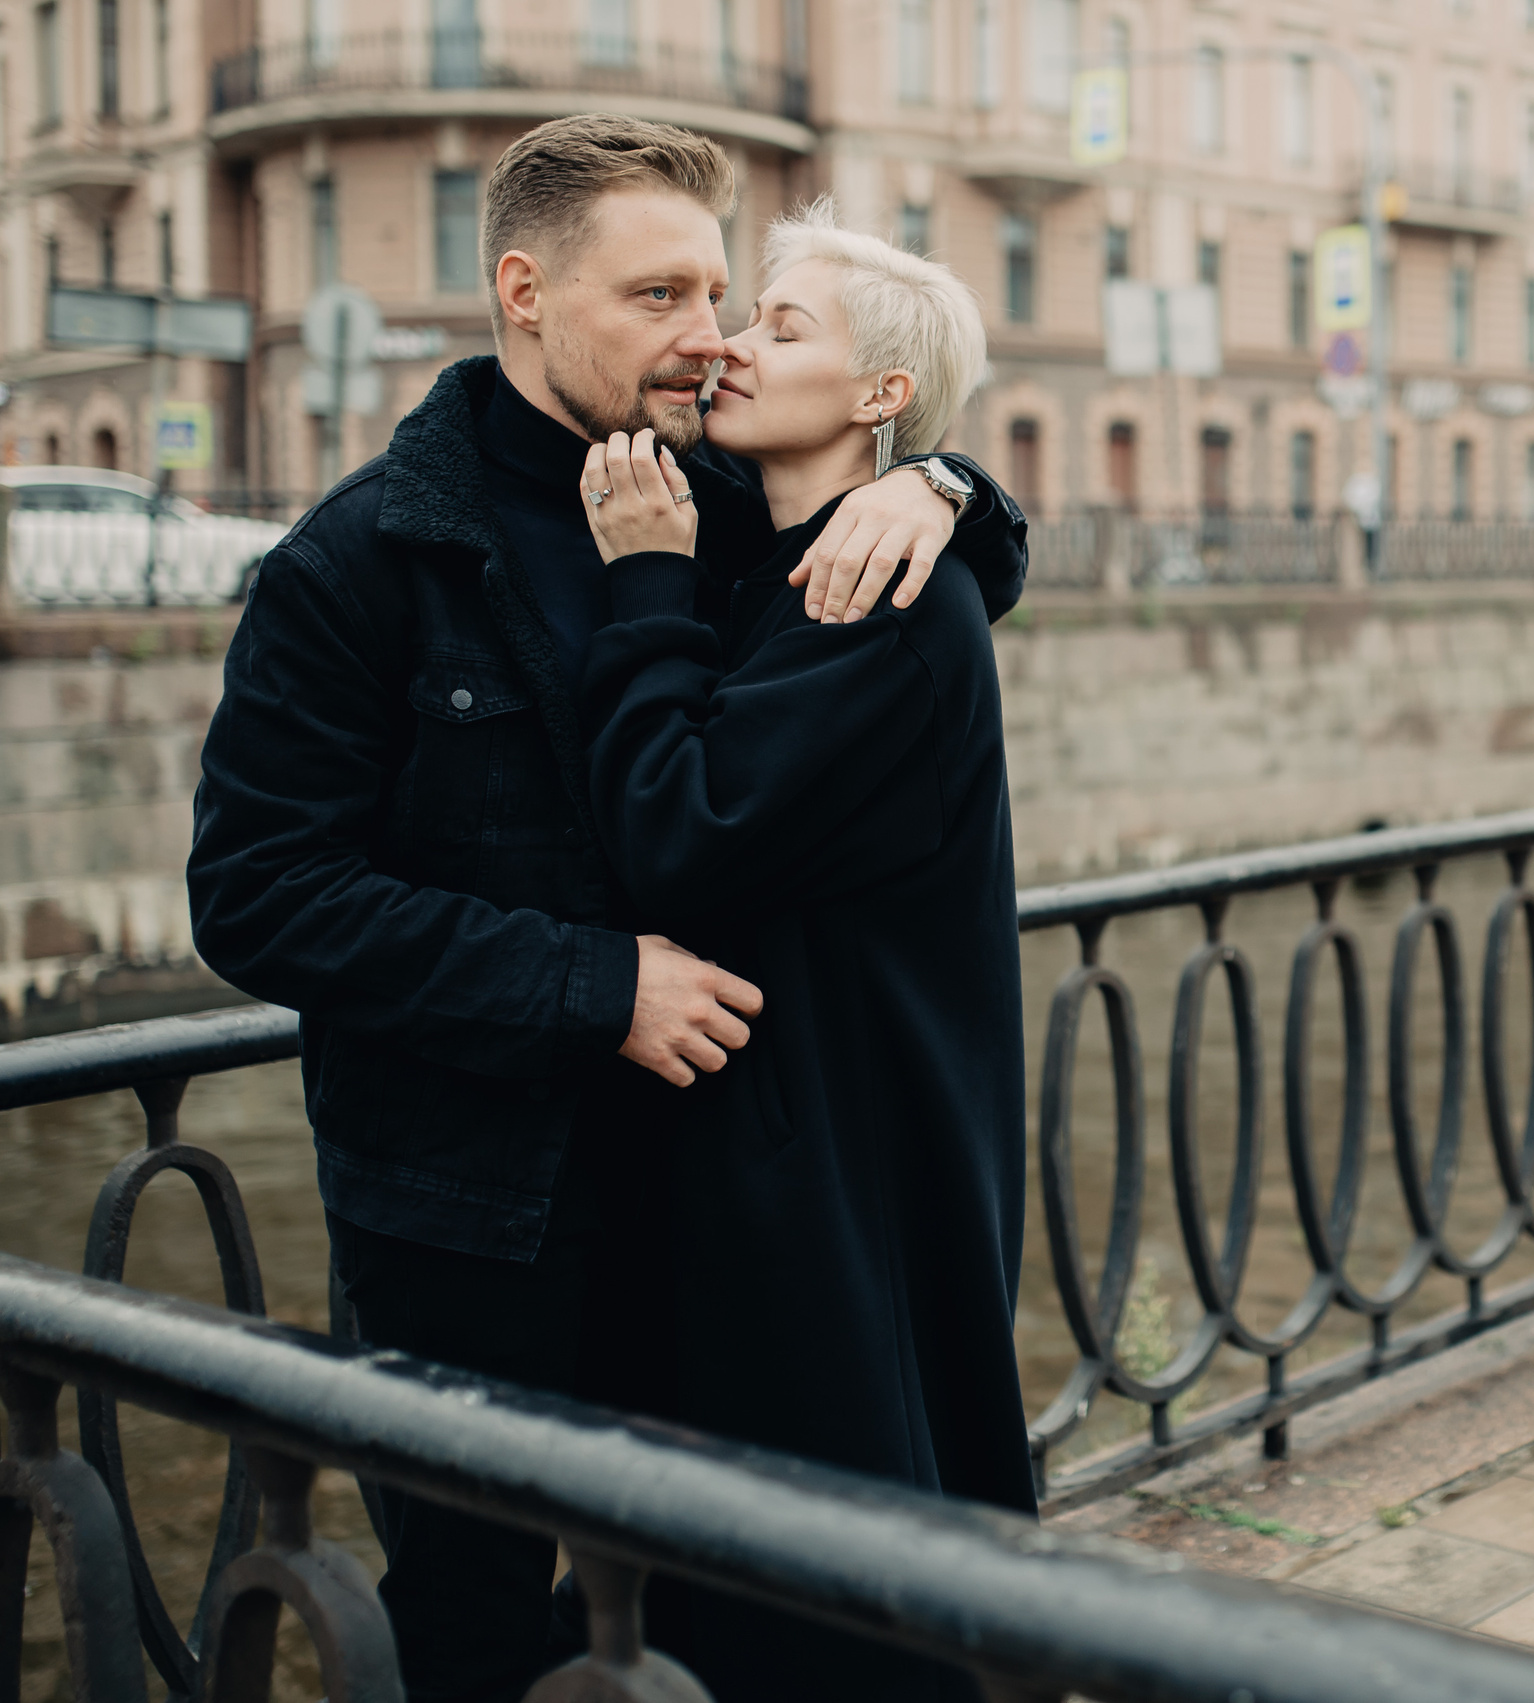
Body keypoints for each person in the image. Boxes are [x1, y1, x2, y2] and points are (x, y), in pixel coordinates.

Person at [184, 116, 1029, 1703]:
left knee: (716, 1611)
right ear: (523, 290)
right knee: (481, 1621)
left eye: (721, 293)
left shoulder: (717, 499)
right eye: (659, 297)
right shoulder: (362, 558)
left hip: (702, 1204)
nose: (705, 339)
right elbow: (257, 895)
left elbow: (860, 583)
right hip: (471, 1213)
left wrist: (953, 494)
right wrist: (593, 986)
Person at [568, 199, 1031, 1703]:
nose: (731, 345)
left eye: (780, 325)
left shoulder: (876, 596)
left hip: (836, 1165)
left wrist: (640, 585)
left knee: (832, 1582)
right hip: (790, 1151)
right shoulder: (795, 560)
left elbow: (678, 833)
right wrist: (959, 486)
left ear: (881, 397)